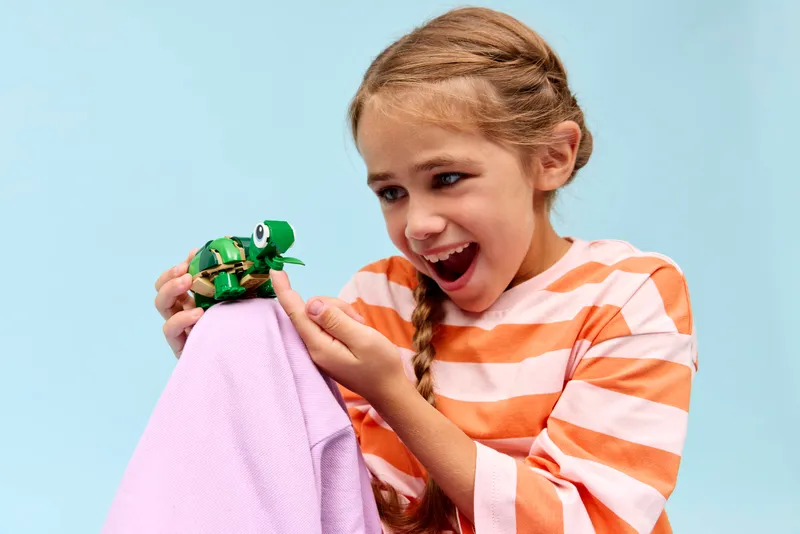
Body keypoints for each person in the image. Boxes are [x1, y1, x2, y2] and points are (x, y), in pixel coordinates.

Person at [149, 6, 697, 533]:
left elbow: (589, 524)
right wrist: (225, 362)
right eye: (391, 192)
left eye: (448, 178)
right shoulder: (377, 298)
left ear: (550, 158)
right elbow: (323, 499)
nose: (417, 224)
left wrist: (396, 397)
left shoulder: (627, 296)